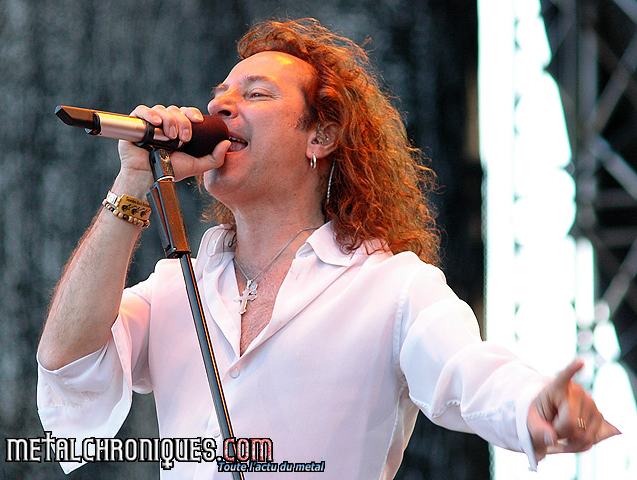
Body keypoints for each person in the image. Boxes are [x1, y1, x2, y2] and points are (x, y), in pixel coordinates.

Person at [37, 18, 618, 479]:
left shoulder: (391, 287)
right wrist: (133, 181)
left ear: (320, 135)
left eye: (255, 93)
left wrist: (536, 405)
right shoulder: (174, 286)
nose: (219, 107)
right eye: (218, 97)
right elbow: (67, 363)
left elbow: (467, 372)